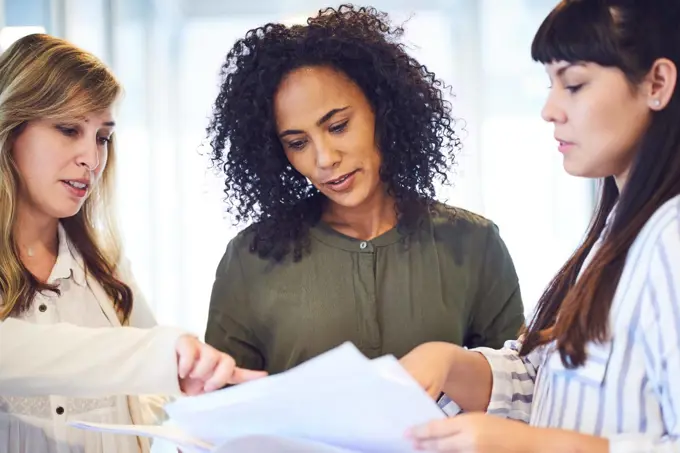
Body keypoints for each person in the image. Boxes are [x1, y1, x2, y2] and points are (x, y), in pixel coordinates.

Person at [399, 0, 680, 451]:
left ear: (657, 83)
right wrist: (453, 364)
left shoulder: (671, 237)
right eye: (550, 85)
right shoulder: (616, 233)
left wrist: (534, 446)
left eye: (574, 84)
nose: (550, 110)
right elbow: (550, 379)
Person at [203, 4, 525, 377]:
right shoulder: (251, 257)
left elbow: (515, 393)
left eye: (338, 126)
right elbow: (220, 411)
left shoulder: (473, 244)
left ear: (383, 109)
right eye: (297, 143)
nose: (324, 159)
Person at [0, 34, 265, 453]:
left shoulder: (105, 263)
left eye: (102, 137)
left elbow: (154, 392)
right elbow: (13, 354)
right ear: (10, 129)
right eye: (69, 130)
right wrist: (163, 355)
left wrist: (195, 412)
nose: (92, 158)